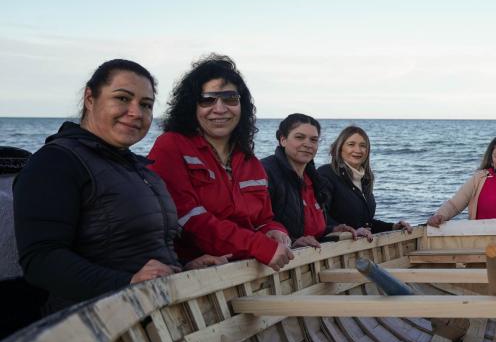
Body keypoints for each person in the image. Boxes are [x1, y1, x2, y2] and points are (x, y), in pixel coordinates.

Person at [13, 59, 202, 313]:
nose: (136, 112)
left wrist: (186, 266)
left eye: (146, 105)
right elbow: (41, 260)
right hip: (93, 324)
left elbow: (140, 250)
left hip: (152, 314)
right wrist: (126, 283)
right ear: (90, 98)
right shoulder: (56, 162)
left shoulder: (136, 168)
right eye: (123, 98)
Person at [148, 54, 293, 271]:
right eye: (208, 100)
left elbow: (263, 219)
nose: (220, 108)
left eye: (230, 99)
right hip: (192, 272)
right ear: (192, 106)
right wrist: (257, 245)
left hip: (245, 270)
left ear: (241, 105)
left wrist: (274, 231)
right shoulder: (171, 146)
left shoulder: (249, 160)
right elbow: (187, 219)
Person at [262, 114, 370, 248]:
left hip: (311, 256)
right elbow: (256, 223)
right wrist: (293, 241)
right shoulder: (265, 172)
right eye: (299, 137)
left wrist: (333, 229)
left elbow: (312, 229)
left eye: (313, 140)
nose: (307, 144)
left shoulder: (314, 180)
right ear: (283, 140)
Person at [318, 125, 412, 234]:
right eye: (351, 144)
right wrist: (348, 231)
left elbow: (365, 224)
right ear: (339, 148)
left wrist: (393, 227)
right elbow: (320, 218)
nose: (358, 150)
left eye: (363, 145)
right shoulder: (326, 174)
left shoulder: (365, 179)